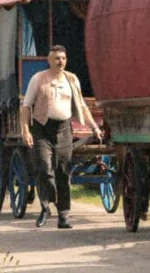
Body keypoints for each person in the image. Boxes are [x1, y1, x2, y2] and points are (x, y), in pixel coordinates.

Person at [21, 45, 101, 229]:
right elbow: (25, 107)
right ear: (49, 61)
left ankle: (63, 216)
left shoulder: (71, 79)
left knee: (62, 172)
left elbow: (81, 106)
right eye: (56, 58)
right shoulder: (38, 79)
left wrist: (94, 127)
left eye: (63, 58)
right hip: (42, 128)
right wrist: (25, 130)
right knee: (44, 167)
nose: (60, 61)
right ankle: (46, 206)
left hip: (64, 129)